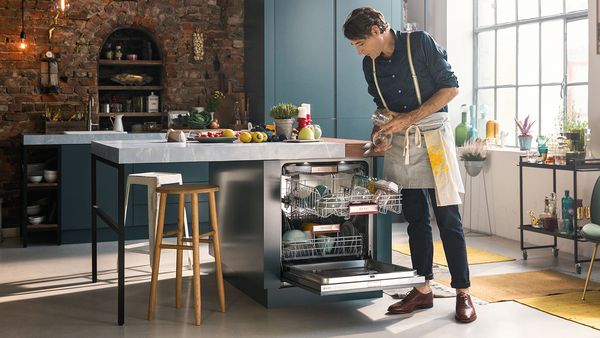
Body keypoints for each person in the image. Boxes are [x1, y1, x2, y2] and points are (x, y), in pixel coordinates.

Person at [343, 7, 476, 323]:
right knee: (416, 219)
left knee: (448, 219)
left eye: (360, 43)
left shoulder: (420, 43)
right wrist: (380, 133)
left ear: (377, 30)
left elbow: (451, 88)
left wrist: (407, 120)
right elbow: (381, 109)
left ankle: (463, 292)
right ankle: (424, 288)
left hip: (434, 138)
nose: (359, 51)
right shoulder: (369, 66)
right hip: (402, 143)